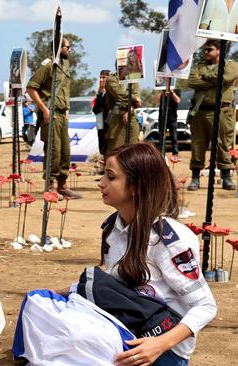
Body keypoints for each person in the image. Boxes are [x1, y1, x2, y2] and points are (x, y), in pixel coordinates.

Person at [98, 143, 216, 365]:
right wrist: (61, 293)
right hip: (129, 331)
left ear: (136, 186)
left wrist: (160, 344)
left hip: (163, 350)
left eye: (111, 177)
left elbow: (206, 306)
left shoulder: (168, 240)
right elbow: (115, 282)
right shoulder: (114, 227)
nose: (101, 183)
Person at [26, 37, 82, 199]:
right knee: (53, 151)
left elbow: (65, 90)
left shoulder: (64, 65)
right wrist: (44, 109)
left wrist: (67, 110)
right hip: (50, 114)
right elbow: (31, 88)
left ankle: (63, 185)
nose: (69, 50)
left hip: (62, 114)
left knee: (65, 150)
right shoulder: (48, 65)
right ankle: (51, 185)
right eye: (67, 47)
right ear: (59, 48)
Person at [186, 39, 238, 191]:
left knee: (223, 144)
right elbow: (192, 82)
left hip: (222, 111)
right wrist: (214, 80)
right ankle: (195, 177)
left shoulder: (231, 65)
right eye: (205, 50)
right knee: (197, 145)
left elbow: (226, 78)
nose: (206, 52)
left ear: (219, 50)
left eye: (209, 49)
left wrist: (206, 76)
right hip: (200, 112)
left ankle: (226, 177)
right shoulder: (199, 66)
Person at [104, 69, 142, 151]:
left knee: (133, 150)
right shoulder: (111, 79)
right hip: (117, 116)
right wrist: (135, 99)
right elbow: (120, 96)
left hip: (131, 115)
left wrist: (130, 110)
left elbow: (136, 95)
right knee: (116, 151)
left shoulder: (133, 78)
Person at [155, 89, 181, 158]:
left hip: (172, 118)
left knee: (174, 136)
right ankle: (162, 152)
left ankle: (175, 153)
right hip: (162, 118)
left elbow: (178, 100)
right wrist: (161, 92)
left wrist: (172, 92)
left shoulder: (176, 91)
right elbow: (157, 102)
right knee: (162, 136)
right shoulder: (162, 91)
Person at [93, 70, 111, 155]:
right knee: (103, 148)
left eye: (103, 78)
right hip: (101, 124)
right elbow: (96, 109)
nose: (101, 80)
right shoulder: (100, 93)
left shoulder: (111, 93)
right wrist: (100, 93)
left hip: (109, 124)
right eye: (100, 77)